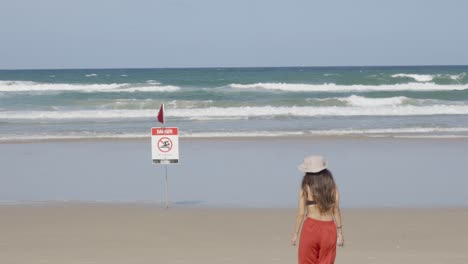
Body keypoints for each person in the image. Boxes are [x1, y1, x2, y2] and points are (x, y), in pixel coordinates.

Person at [291, 155, 344, 264]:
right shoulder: (332, 186)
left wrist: (296, 233)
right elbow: (336, 210)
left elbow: (301, 213)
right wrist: (340, 232)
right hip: (329, 229)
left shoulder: (306, 187)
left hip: (311, 228)